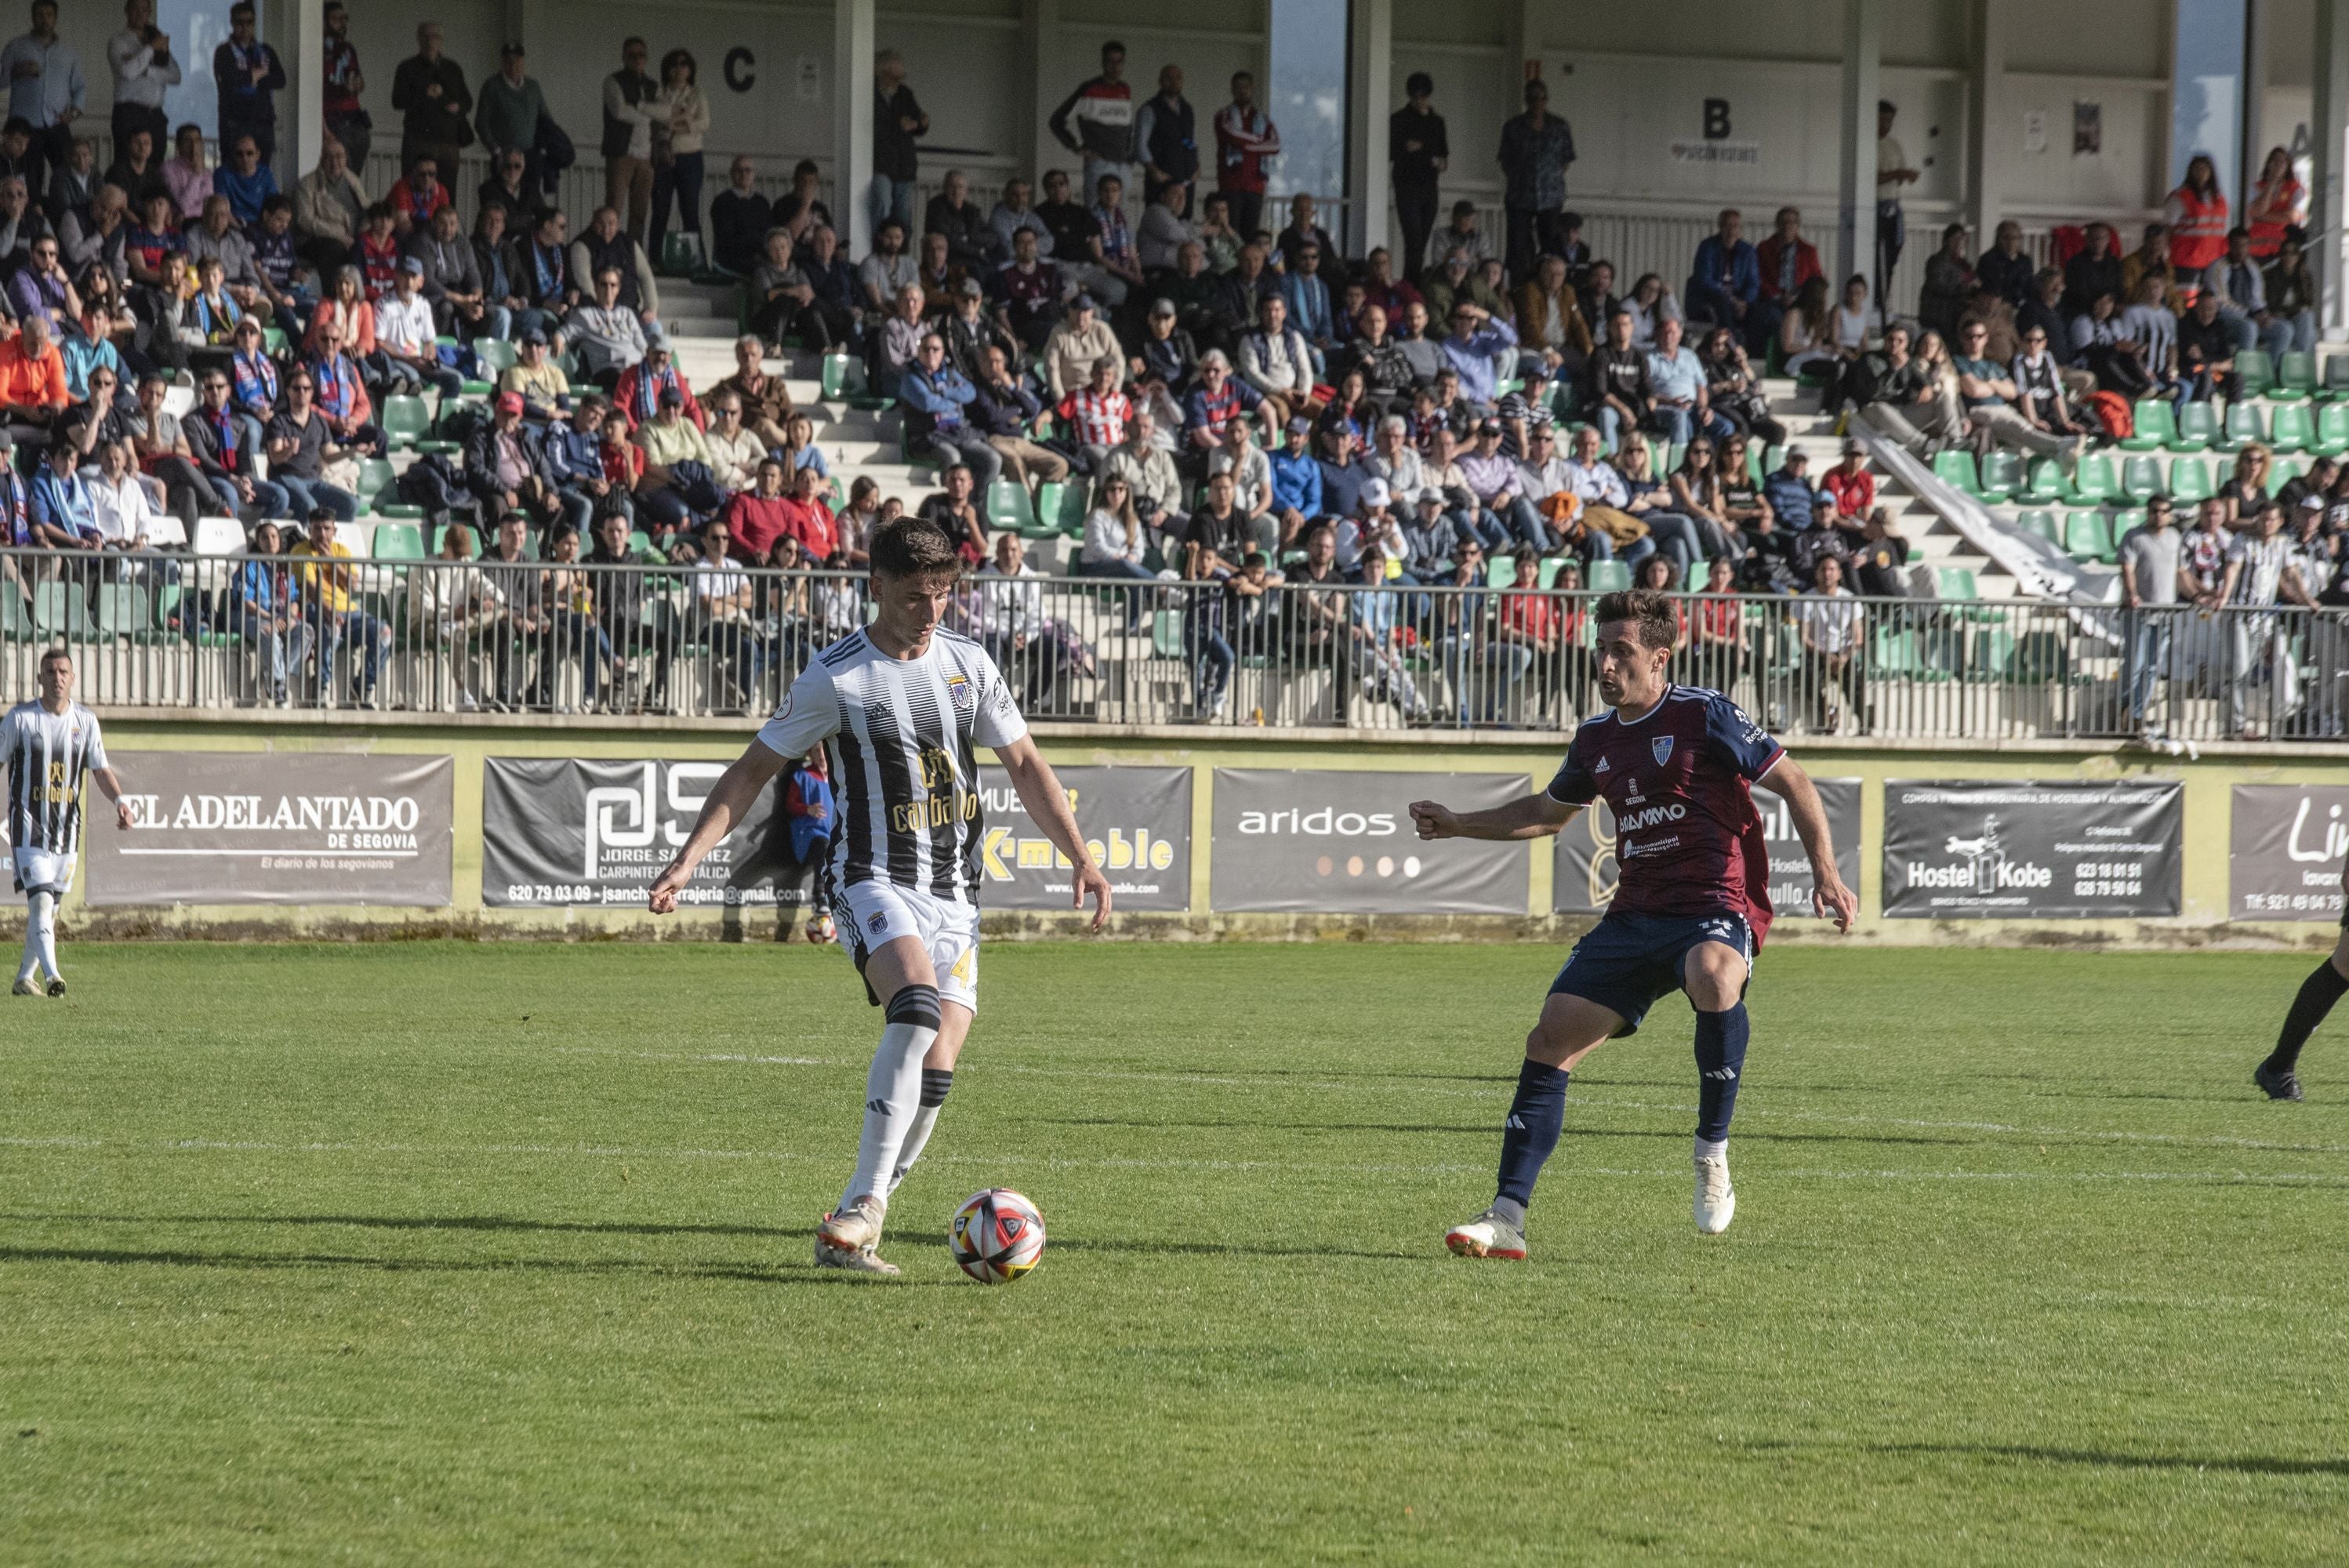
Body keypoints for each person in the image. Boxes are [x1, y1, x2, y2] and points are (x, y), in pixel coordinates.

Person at [649, 516, 1110, 1272]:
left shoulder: (968, 663)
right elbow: (751, 771)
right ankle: (864, 1205)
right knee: (916, 1007)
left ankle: (863, 1215)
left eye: (942, 596)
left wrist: (1082, 856)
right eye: (914, 599)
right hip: (871, 874)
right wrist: (688, 860)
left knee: (939, 1065)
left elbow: (1025, 763)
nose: (931, 614)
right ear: (876, 590)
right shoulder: (836, 676)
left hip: (956, 889)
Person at [1418, 586, 1854, 1254]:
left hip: (1715, 903)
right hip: (1635, 915)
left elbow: (1794, 781)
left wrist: (1826, 871)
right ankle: (1505, 1218)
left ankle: (1712, 1153)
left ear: (1659, 659)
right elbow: (1547, 812)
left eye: (1622, 652)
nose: (1607, 665)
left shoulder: (1706, 714)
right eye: (1602, 651)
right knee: (1550, 1039)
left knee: (1713, 975)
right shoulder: (1594, 739)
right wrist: (1458, 825)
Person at [6, 650, 131, 999]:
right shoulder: (19, 719)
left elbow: (100, 769)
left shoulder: (85, 722)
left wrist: (120, 801)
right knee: (42, 904)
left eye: (63, 671)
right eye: (50, 671)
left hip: (66, 832)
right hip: (28, 828)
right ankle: (52, 977)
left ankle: (23, 979)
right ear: (39, 678)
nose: (57, 677)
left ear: (72, 678)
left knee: (49, 910)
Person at [1497, 78, 1574, 283]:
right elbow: (1505, 160)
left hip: (1551, 197)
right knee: (1519, 248)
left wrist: (1550, 179)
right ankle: (1519, 288)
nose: (1537, 103)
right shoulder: (1513, 127)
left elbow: (1566, 160)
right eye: (1532, 98)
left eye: (1541, 98)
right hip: (1519, 196)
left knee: (1550, 246)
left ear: (1546, 100)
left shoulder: (1559, 126)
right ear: (1526, 100)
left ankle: (1548, 287)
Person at [1050, 40, 1136, 209]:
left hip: (1123, 163)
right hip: (1099, 162)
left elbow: (1127, 126)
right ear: (1103, 62)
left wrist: (1130, 154)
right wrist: (1075, 147)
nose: (1115, 67)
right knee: (1095, 212)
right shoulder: (1089, 89)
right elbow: (1057, 121)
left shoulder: (1125, 89)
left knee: (1121, 213)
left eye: (1119, 62)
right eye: (1111, 61)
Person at [648, 49, 709, 262]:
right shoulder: (659, 93)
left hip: (690, 156)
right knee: (660, 210)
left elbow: (703, 123)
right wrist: (679, 120)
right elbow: (656, 122)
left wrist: (680, 123)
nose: (679, 69)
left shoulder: (696, 93)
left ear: (690, 69)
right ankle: (654, 259)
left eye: (684, 64)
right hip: (664, 155)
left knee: (690, 210)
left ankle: (696, 261)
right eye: (674, 64)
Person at [391, 22, 470, 182]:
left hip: (448, 141)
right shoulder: (407, 68)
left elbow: (468, 101)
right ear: (418, 39)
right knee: (412, 188)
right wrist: (424, 94)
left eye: (435, 37)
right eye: (426, 37)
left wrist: (458, 107)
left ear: (441, 40)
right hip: (418, 140)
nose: (430, 41)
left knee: (446, 195)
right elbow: (397, 101)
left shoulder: (453, 69)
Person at [1389, 73, 1447, 285]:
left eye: (1423, 96)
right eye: (1415, 97)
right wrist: (1406, 148)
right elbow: (1390, 152)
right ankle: (1410, 285)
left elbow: (1444, 157)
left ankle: (1413, 285)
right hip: (1406, 186)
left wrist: (1439, 164)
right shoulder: (1398, 120)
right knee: (1413, 241)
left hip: (1429, 187)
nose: (1419, 101)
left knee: (1421, 242)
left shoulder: (1437, 122)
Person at [108, 0, 179, 172]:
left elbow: (175, 76)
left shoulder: (157, 40)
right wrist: (150, 49)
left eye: (145, 10)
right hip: (129, 112)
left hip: (155, 114)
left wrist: (147, 71)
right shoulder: (119, 41)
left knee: (155, 167)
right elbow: (128, 72)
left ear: (149, 13)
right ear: (127, 11)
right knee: (126, 166)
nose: (140, 14)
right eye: (135, 9)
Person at [212, 2, 284, 169]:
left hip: (264, 122)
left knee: (262, 172)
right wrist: (251, 76)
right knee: (234, 171)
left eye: (249, 22)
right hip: (235, 123)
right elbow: (227, 81)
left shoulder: (265, 50)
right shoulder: (224, 51)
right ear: (232, 23)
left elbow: (281, 79)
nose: (245, 27)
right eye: (239, 23)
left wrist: (256, 78)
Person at [602, 38, 659, 243]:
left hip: (647, 156)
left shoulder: (653, 85)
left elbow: (667, 111)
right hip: (621, 154)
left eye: (641, 55)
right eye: (632, 55)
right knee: (614, 207)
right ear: (624, 57)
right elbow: (619, 111)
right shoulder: (613, 81)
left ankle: (633, 254)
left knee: (640, 211)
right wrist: (651, 113)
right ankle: (608, 250)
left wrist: (640, 109)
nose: (637, 60)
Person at [1211, 70, 1277, 241]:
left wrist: (1246, 145)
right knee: (1230, 234)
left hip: (1255, 186)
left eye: (1246, 87)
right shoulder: (1224, 115)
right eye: (1238, 87)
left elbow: (1276, 146)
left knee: (1250, 236)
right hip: (1231, 185)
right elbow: (1233, 136)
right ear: (1232, 90)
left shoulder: (1262, 119)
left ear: (1252, 89)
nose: (1242, 91)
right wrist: (1260, 142)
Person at [870, 49, 927, 241]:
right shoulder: (869, 94)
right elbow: (871, 126)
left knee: (903, 213)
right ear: (882, 74)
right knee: (883, 205)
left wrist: (921, 124)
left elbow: (917, 121)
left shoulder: (905, 94)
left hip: (904, 164)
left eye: (901, 76)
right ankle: (880, 247)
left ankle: (901, 254)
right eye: (895, 77)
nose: (899, 81)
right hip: (881, 162)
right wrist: (898, 125)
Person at [1133, 63, 1196, 207]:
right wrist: (1154, 171)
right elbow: (1140, 146)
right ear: (1161, 81)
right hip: (1161, 180)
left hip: (1185, 180)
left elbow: (1188, 141)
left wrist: (1196, 165)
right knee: (1159, 220)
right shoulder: (1150, 109)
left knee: (1184, 223)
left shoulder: (1187, 109)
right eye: (1169, 78)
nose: (1174, 81)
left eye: (1178, 77)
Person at [1875, 99, 1919, 303]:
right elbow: (1873, 178)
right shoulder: (1868, 144)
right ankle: (1874, 300)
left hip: (1893, 205)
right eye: (1882, 120)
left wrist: (1905, 175)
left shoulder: (1894, 145)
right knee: (1878, 258)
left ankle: (1884, 298)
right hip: (1876, 207)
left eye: (1890, 121)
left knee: (1892, 255)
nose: (1886, 125)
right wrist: (1898, 173)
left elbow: (1899, 178)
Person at [318, 0, 370, 168]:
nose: (342, 23)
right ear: (324, 22)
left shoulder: (348, 48)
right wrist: (326, 133)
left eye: (344, 18)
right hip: (334, 122)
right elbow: (312, 98)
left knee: (354, 179)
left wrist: (357, 84)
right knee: (340, 176)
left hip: (356, 121)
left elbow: (360, 81)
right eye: (336, 19)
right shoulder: (316, 50)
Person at [2166, 153, 2229, 285]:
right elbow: (2168, 227)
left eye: (2205, 169)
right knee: (2187, 299)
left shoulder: (2219, 199)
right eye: (2197, 169)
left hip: (2214, 260)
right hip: (2187, 260)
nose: (2201, 173)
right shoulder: (2181, 196)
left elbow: (2224, 229)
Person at [710, 155, 772, 278]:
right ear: (732, 174)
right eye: (739, 170)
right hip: (732, 259)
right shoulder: (722, 201)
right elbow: (726, 239)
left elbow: (769, 232)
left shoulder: (762, 202)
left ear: (753, 175)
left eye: (748, 170)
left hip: (759, 257)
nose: (744, 174)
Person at [2247, 146, 2306, 260]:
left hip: (2283, 246)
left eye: (2282, 161)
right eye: (2274, 161)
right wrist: (2271, 184)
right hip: (2257, 244)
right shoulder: (2257, 187)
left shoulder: (2295, 189)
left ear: (2288, 166)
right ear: (2268, 164)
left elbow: (2292, 216)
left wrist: (2262, 217)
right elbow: (2257, 211)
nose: (2278, 165)